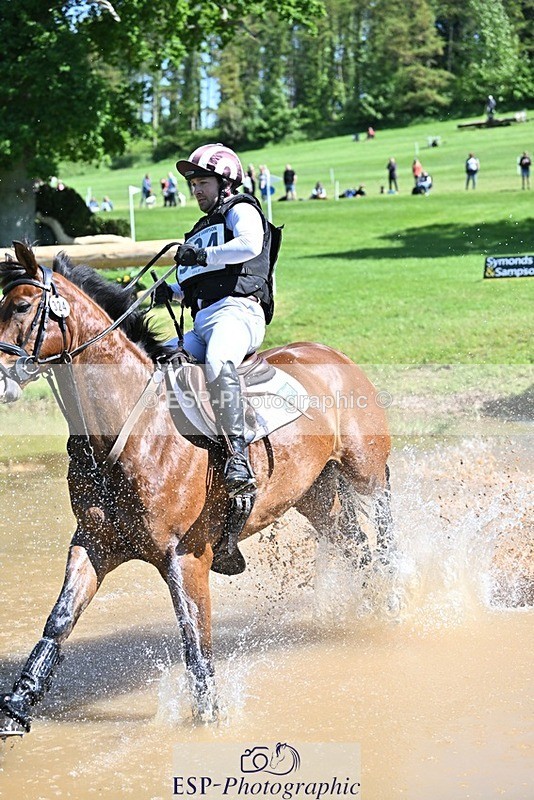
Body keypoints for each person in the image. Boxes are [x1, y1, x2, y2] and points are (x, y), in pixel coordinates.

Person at [154, 143, 276, 499]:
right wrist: (171, 292)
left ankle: (238, 457)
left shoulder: (241, 209)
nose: (196, 190)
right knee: (154, 362)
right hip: (203, 322)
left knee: (219, 361)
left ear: (225, 183)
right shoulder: (201, 228)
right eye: (193, 184)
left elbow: (250, 245)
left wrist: (202, 254)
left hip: (239, 314)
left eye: (202, 182)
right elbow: (201, 281)